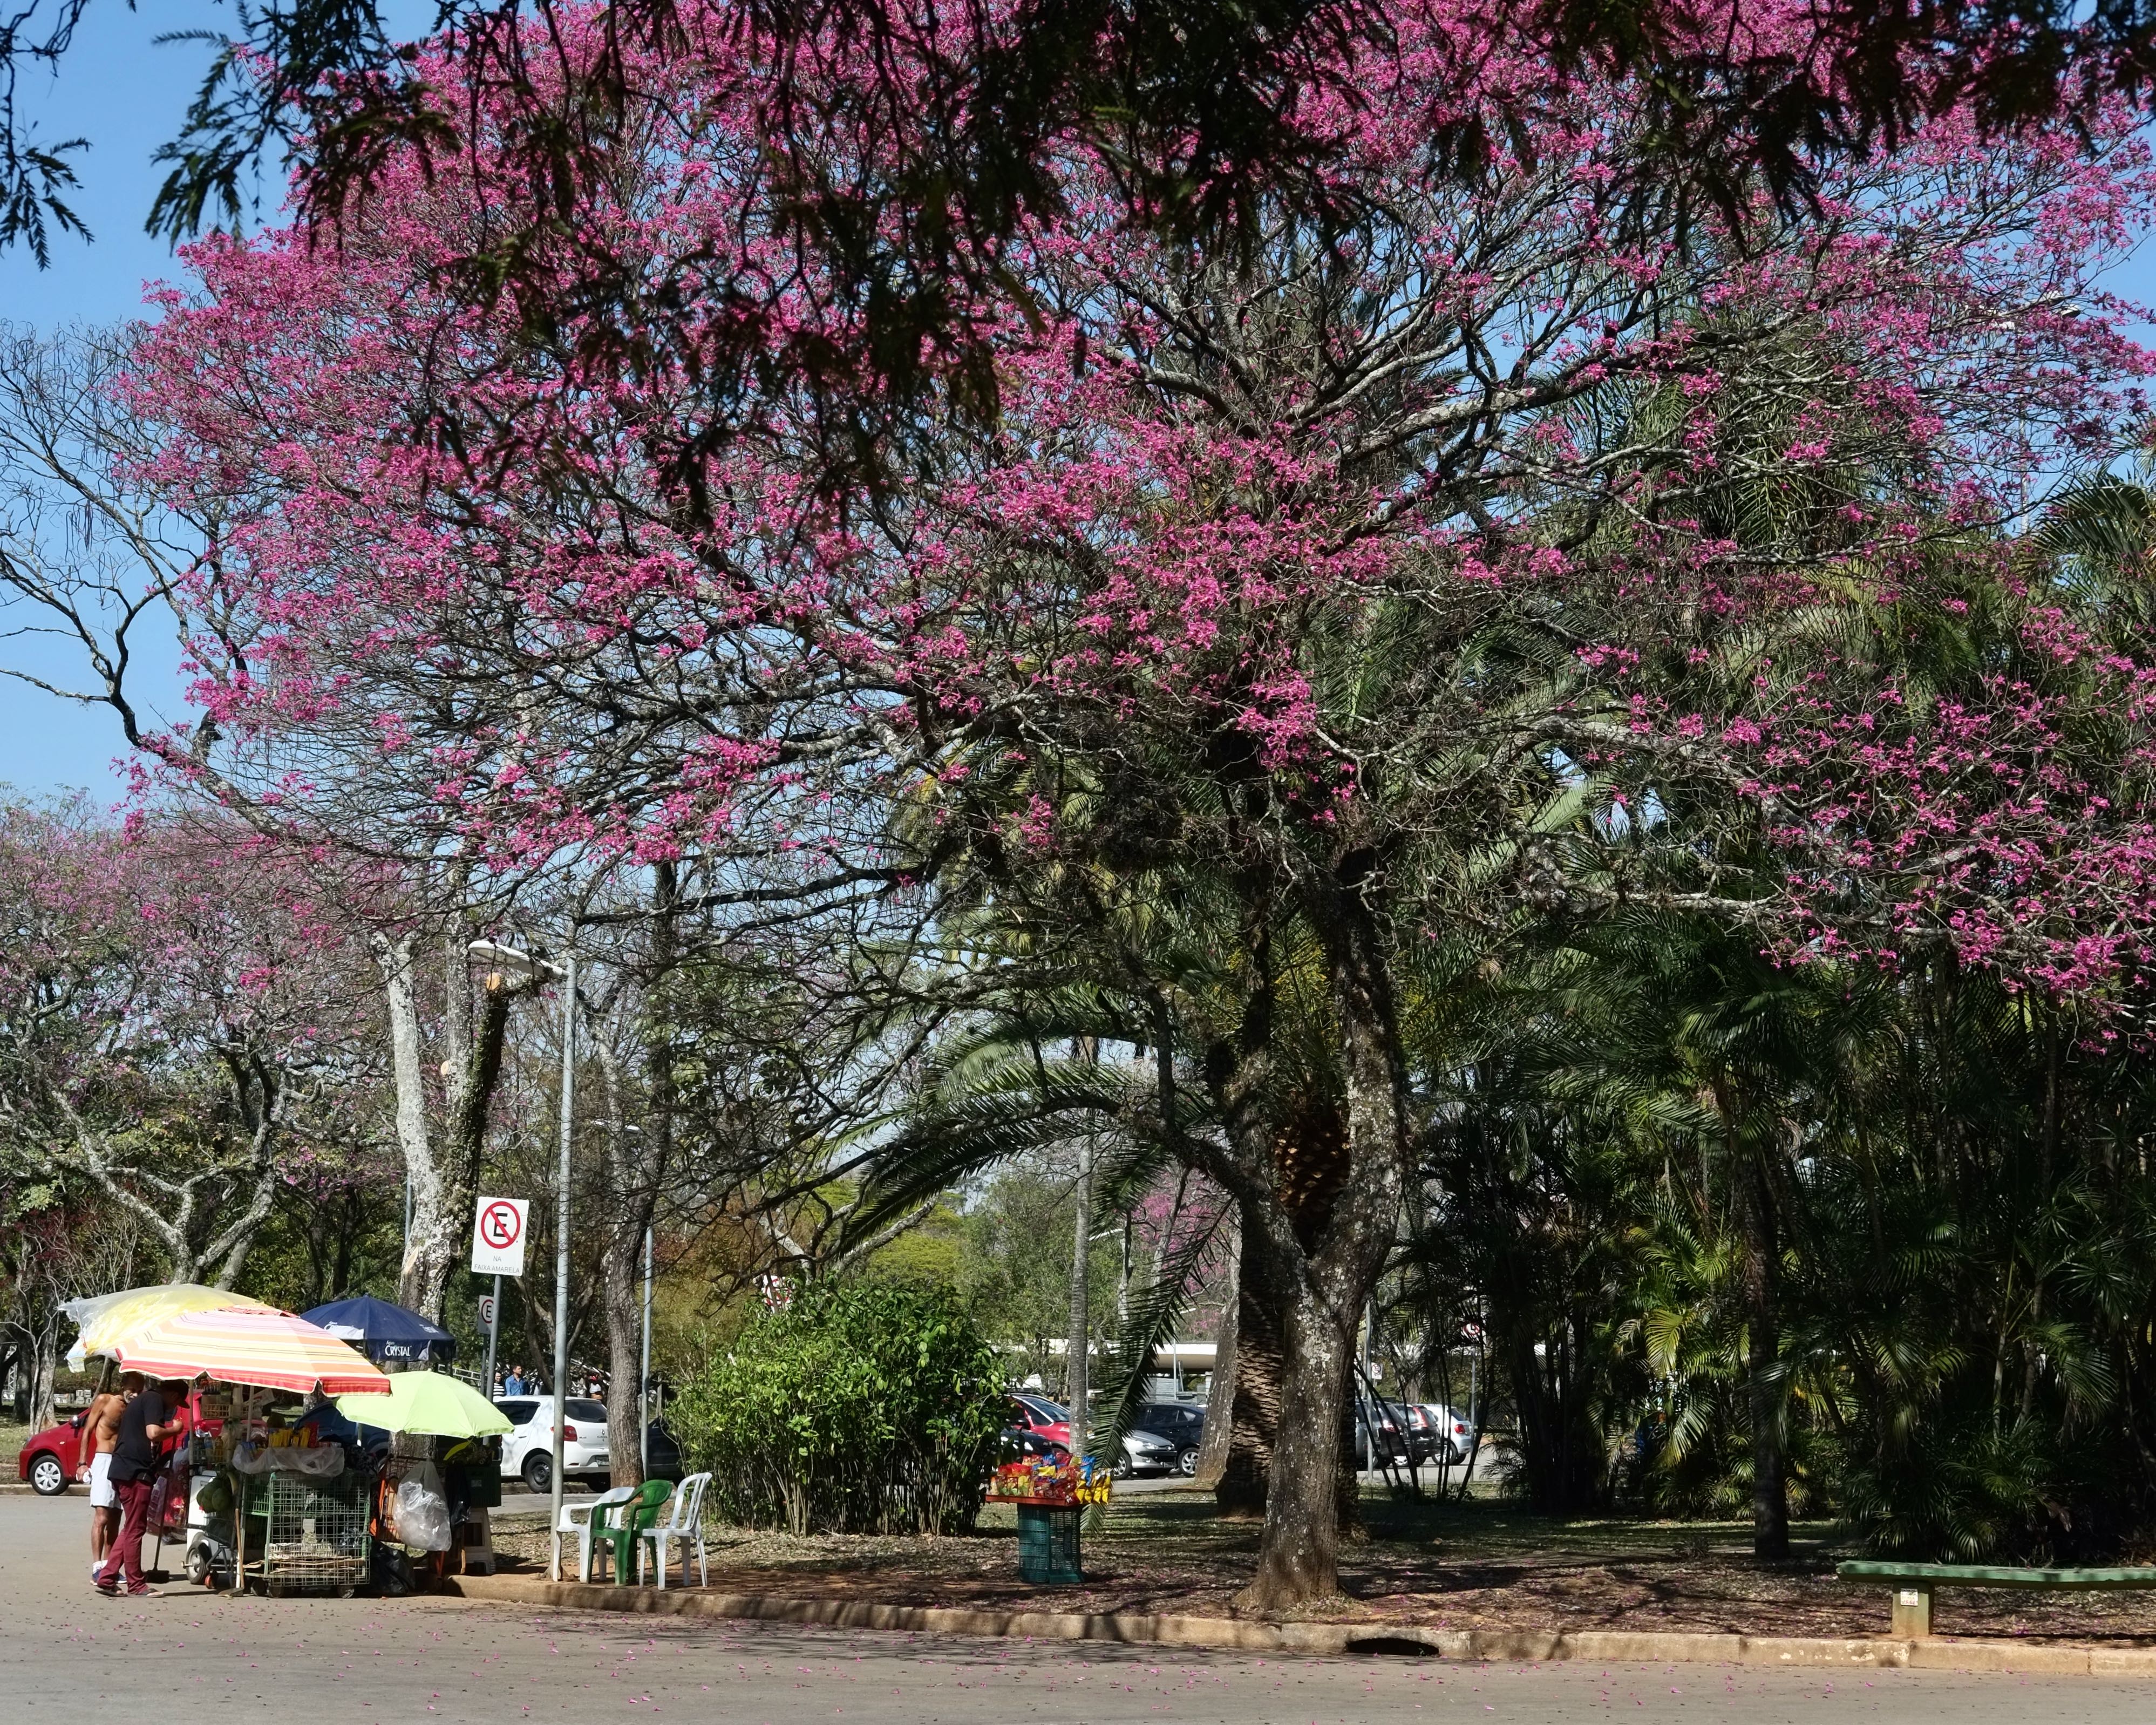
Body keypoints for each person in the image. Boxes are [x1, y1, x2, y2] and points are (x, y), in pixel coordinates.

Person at [96, 1379, 185, 1597]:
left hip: (128, 1470)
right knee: (136, 1529)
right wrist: (174, 1429)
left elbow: (140, 1440)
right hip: (134, 1473)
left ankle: (107, 1577)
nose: (175, 1408)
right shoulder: (154, 1399)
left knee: (131, 1527)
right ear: (174, 1396)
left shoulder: (144, 1401)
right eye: (178, 1403)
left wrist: (157, 1469)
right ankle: (136, 1584)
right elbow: (153, 1433)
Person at [77, 1372, 142, 1578]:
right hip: (104, 1459)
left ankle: (109, 1567)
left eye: (139, 1391)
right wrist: (82, 1463)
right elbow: (87, 1430)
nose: (135, 1394)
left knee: (116, 1518)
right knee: (102, 1516)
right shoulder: (105, 1401)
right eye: (132, 1389)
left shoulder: (134, 1409)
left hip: (123, 1462)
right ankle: (97, 1567)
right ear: (123, 1385)